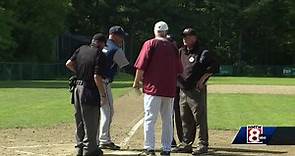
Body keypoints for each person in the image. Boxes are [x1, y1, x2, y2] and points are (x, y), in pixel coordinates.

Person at [133, 21, 183, 156]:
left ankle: (149, 148)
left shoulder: (150, 44)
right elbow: (179, 70)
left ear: (155, 31)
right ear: (166, 32)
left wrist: (136, 82)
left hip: (152, 89)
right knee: (167, 120)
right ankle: (166, 148)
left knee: (150, 118)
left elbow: (141, 66)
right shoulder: (173, 47)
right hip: (169, 89)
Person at [172, 28, 219, 155]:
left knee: (199, 118)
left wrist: (203, 79)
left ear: (194, 38)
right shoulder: (181, 51)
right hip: (182, 91)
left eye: (188, 36)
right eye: (184, 37)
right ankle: (186, 143)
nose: (185, 39)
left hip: (195, 91)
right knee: (185, 119)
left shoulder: (202, 52)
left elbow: (213, 67)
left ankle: (203, 144)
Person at [65, 33, 107, 156]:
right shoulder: (99, 54)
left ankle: (80, 147)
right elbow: (96, 76)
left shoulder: (81, 49)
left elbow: (68, 63)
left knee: (79, 119)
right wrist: (103, 95)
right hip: (89, 90)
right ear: (101, 43)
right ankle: (90, 149)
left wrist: (79, 72)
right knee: (91, 120)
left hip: (77, 88)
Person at [97, 25, 129, 150]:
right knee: (107, 111)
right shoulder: (115, 49)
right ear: (113, 35)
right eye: (120, 36)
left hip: (92, 82)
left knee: (97, 111)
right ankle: (104, 139)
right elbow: (126, 66)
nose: (122, 39)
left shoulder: (100, 45)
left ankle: (94, 138)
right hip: (104, 82)